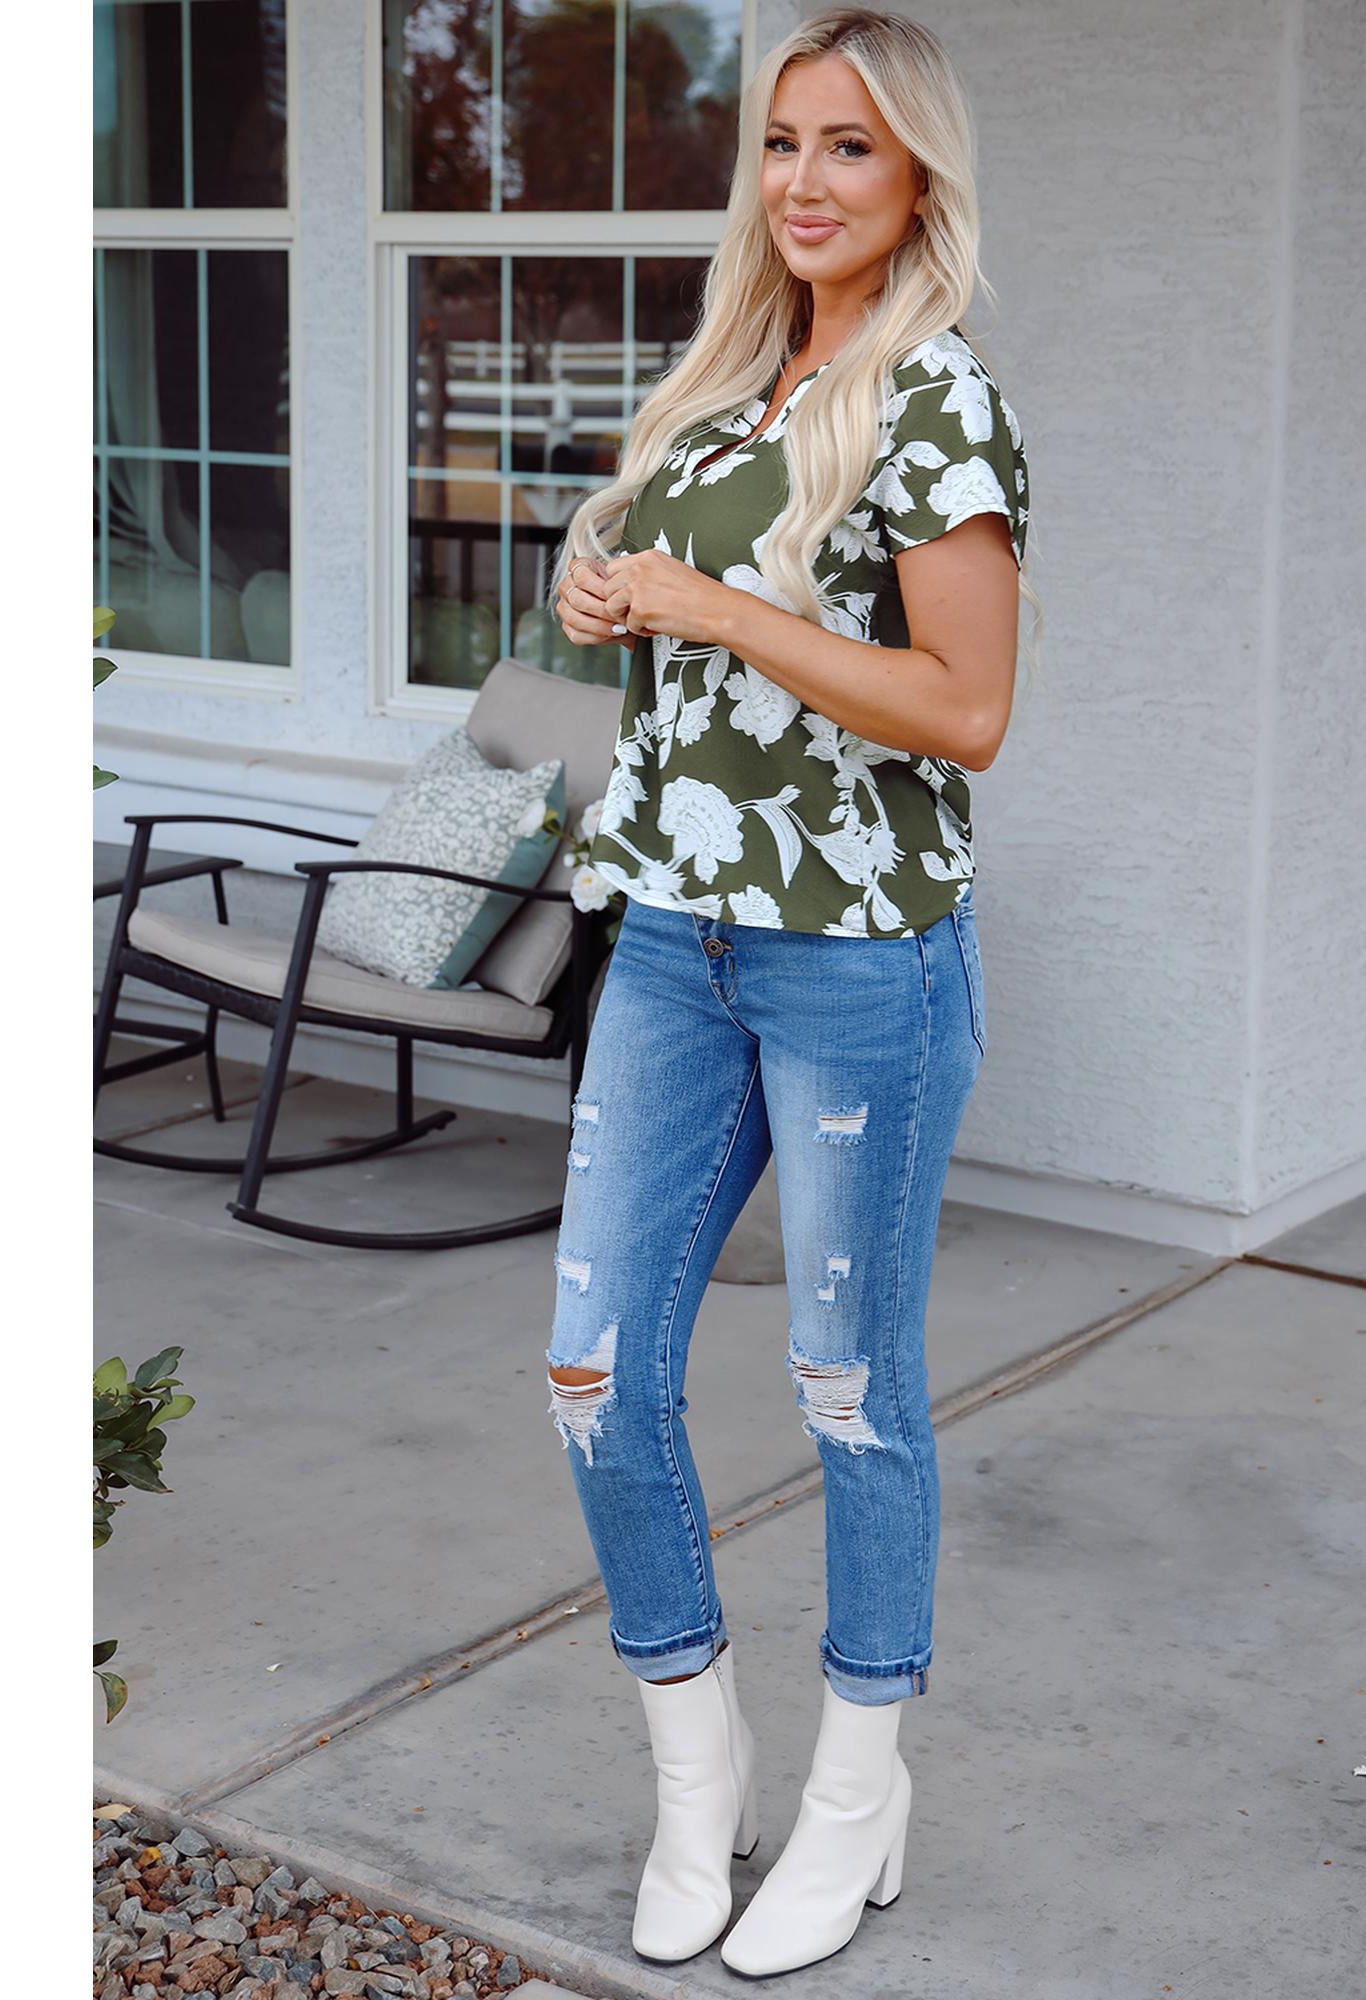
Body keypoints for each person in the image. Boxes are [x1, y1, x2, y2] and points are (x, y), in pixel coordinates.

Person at [544, 6, 1037, 1977]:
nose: (805, 182)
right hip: (673, 936)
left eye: (849, 147)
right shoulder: (730, 379)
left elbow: (967, 710)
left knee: (848, 1393)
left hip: (858, 962)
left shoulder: (937, 396)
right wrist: (604, 591)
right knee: (593, 1373)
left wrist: (712, 608)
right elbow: (677, 632)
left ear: (917, 175)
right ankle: (700, 1780)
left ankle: (852, 1797)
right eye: (779, 143)